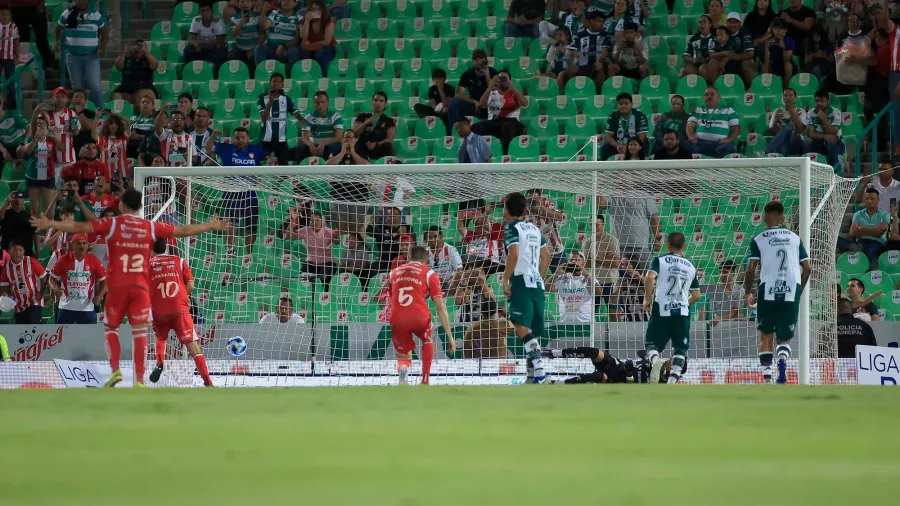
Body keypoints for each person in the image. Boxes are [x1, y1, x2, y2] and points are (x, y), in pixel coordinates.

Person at [31, 187, 229, 387]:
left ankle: (115, 369)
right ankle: (140, 380)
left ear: (121, 205)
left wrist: (51, 223)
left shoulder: (112, 224)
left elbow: (80, 226)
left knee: (111, 329)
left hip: (118, 286)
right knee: (140, 333)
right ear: (141, 206)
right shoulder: (150, 227)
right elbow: (184, 230)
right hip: (140, 288)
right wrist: (210, 226)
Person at [744, 200, 811, 384]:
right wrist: (799, 290)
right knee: (784, 337)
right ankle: (782, 360)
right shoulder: (795, 238)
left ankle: (767, 377)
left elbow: (751, 269)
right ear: (782, 217)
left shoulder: (759, 239)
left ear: (765, 218)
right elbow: (807, 268)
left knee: (766, 334)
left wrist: (748, 291)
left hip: (768, 289)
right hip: (791, 289)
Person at [147, 238, 213, 386]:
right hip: (179, 309)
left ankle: (159, 363)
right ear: (166, 248)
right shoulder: (180, 261)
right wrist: (184, 296)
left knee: (160, 339)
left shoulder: (147, 264)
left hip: (159, 311)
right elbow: (190, 284)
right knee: (193, 346)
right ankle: (208, 381)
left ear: (151, 248)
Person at [387, 245, 455, 385]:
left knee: (403, 354)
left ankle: (403, 368)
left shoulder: (393, 273)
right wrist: (450, 336)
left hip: (398, 317)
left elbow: (391, 297)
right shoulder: (429, 273)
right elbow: (440, 306)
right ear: (426, 260)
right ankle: (425, 380)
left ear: (409, 258)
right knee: (427, 339)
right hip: (419, 316)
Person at [502, 192, 551, 383]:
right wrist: (539, 276)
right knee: (529, 330)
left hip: (521, 281)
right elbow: (546, 256)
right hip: (537, 283)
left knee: (520, 326)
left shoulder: (511, 228)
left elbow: (513, 254)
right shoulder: (534, 229)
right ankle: (531, 376)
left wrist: (505, 279)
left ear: (507, 209)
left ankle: (540, 371)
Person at [642, 232, 701, 384]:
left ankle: (656, 361)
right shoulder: (691, 266)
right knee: (680, 348)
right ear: (684, 246)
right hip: (682, 311)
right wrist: (683, 304)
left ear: (667, 245)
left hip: (661, 307)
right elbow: (696, 295)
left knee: (652, 344)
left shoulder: (660, 260)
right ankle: (672, 382)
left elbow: (650, 278)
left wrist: (647, 299)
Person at [206, 127, 274, 255]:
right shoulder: (226, 148)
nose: (240, 140)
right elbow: (209, 148)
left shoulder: (255, 150)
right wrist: (214, 135)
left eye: (243, 137)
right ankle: (230, 251)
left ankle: (249, 253)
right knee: (231, 223)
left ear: (248, 138)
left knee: (251, 227)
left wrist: (267, 163)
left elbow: (269, 158)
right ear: (233, 139)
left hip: (250, 194)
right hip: (231, 192)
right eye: (237, 137)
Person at [54, 0, 107, 107]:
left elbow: (104, 33)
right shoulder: (67, 13)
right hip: (72, 56)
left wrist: (101, 48)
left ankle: (100, 113)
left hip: (91, 56)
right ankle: (78, 115)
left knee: (95, 86)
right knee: (77, 88)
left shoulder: (95, 15)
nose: (81, 2)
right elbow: (57, 29)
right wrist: (56, 42)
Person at [48, 234, 105, 324]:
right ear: (73, 244)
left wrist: (100, 295)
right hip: (65, 307)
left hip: (87, 308)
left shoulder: (94, 261)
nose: (82, 246)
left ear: (87, 245)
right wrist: (53, 288)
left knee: (89, 336)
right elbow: (51, 278)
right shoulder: (63, 260)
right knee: (63, 336)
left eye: (84, 243)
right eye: (78, 243)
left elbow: (104, 280)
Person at [598, 192, 660, 272]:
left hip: (641, 245)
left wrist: (657, 238)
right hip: (619, 246)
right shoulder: (612, 195)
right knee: (623, 278)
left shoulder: (644, 196)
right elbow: (602, 204)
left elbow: (654, 218)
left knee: (647, 276)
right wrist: (598, 189)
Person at [326, 130, 370, 236]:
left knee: (357, 228)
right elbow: (327, 165)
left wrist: (353, 152)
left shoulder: (361, 151)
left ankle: (361, 251)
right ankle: (343, 250)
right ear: (342, 140)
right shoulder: (336, 151)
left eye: (351, 137)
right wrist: (342, 153)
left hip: (358, 196)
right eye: (345, 137)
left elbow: (368, 166)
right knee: (341, 228)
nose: (348, 139)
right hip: (338, 196)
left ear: (355, 140)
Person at [541, 347, 669, 383]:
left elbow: (635, 390)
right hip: (617, 365)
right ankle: (552, 353)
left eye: (672, 363)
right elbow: (641, 352)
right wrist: (648, 357)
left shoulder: (659, 382)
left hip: (619, 381)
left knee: (598, 376)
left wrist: (629, 374)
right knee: (594, 352)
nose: (669, 361)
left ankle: (555, 383)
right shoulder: (657, 363)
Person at [20, 115, 64, 220]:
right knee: (34, 209)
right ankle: (35, 234)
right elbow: (27, 151)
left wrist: (55, 137)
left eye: (43, 123)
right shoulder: (30, 139)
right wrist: (35, 139)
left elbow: (62, 149)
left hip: (48, 178)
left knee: (48, 210)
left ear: (47, 126)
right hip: (33, 177)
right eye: (38, 124)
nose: (40, 125)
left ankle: (48, 234)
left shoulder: (51, 140)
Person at [258, 72, 304, 164]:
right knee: (261, 165)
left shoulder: (286, 99)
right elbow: (264, 117)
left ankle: (284, 179)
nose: (276, 84)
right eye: (274, 81)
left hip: (281, 140)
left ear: (282, 85)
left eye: (279, 82)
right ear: (270, 83)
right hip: (265, 139)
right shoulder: (262, 98)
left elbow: (298, 116)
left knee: (284, 168)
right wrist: (270, 102)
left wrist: (305, 125)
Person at [283, 211, 339, 286]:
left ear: (322, 222)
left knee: (324, 279)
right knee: (304, 278)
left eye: (317, 220)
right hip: (310, 263)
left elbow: (337, 242)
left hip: (327, 263)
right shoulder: (305, 230)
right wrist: (292, 221)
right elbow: (289, 236)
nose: (314, 222)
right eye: (312, 220)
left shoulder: (328, 231)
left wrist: (337, 233)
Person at [839, 188, 891, 264]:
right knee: (837, 240)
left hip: (877, 243)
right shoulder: (858, 214)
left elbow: (879, 233)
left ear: (878, 200)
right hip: (861, 242)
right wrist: (874, 229)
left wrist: (862, 229)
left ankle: (872, 265)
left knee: (871, 249)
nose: (869, 201)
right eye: (867, 199)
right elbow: (852, 232)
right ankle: (855, 248)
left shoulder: (884, 214)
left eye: (872, 199)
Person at [0, 238, 46, 323]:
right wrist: (6, 296)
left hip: (34, 301)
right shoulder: (6, 268)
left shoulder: (31, 262)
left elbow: (44, 276)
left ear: (24, 251)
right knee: (21, 330)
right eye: (14, 250)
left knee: (34, 327)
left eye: (20, 250)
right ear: (9, 252)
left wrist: (41, 292)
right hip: (18, 304)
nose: (18, 253)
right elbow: (3, 285)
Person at [447, 50, 497, 129]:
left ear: (485, 61)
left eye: (480, 59)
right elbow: (460, 94)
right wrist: (474, 102)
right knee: (454, 102)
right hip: (474, 105)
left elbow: (495, 91)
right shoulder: (467, 74)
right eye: (474, 59)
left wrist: (487, 76)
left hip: (489, 104)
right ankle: (453, 132)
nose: (477, 61)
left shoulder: (493, 72)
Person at [546, 251, 599, 323]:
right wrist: (556, 274)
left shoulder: (589, 278)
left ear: (583, 263)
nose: (573, 261)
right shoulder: (562, 278)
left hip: (587, 322)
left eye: (577, 260)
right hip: (565, 323)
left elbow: (599, 292)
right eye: (571, 260)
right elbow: (547, 288)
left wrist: (586, 275)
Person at [686, 85, 739, 158]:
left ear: (718, 97)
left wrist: (729, 139)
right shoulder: (699, 110)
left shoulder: (728, 110)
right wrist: (691, 136)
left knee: (728, 147)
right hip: (700, 143)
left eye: (712, 94)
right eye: (706, 95)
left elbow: (736, 128)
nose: (709, 97)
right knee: (686, 145)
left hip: (719, 144)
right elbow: (690, 125)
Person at [565, 8, 610, 90]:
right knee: (570, 69)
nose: (601, 24)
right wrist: (575, 55)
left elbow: (605, 51)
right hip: (582, 65)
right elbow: (574, 50)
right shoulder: (580, 35)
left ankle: (599, 94)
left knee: (600, 69)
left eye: (602, 22)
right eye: (599, 21)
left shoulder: (604, 35)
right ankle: (572, 92)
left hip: (597, 64)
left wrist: (600, 61)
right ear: (591, 21)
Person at [580, 214, 620, 302]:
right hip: (593, 282)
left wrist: (595, 259)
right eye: (591, 225)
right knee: (591, 312)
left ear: (604, 225)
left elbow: (616, 264)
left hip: (611, 282)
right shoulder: (586, 243)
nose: (594, 227)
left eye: (597, 225)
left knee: (613, 310)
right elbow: (585, 264)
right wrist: (605, 259)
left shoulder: (612, 240)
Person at [42, 87, 79, 182]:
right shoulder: (46, 114)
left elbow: (76, 132)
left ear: (67, 99)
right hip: (51, 158)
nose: (60, 99)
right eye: (57, 97)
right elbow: (39, 131)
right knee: (52, 187)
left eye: (63, 97)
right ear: (53, 98)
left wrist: (74, 129)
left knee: (70, 184)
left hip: (69, 157)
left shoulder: (72, 114)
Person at [296, 90, 342, 162]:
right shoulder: (308, 117)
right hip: (313, 145)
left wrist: (323, 144)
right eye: (317, 103)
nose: (320, 105)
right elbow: (304, 137)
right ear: (313, 104)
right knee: (300, 148)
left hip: (328, 145)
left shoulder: (335, 117)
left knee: (336, 146)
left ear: (328, 103)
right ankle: (300, 171)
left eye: (323, 102)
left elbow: (338, 137)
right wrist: (311, 145)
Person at [601, 92, 649, 160]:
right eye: (620, 104)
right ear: (617, 105)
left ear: (631, 104)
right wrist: (617, 145)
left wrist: (628, 146)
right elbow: (608, 137)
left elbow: (641, 137)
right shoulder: (613, 116)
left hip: (634, 144)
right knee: (605, 149)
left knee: (645, 143)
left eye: (626, 103)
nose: (623, 106)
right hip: (619, 145)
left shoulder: (640, 115)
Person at [805, 89, 845, 167]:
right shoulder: (811, 113)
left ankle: (835, 174)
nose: (819, 103)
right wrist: (824, 136)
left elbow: (834, 133)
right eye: (817, 101)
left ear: (828, 101)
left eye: (822, 101)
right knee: (807, 145)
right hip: (818, 142)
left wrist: (824, 120)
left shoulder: (835, 112)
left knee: (831, 144)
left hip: (836, 143)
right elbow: (811, 134)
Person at [112, 40, 159, 104]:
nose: (138, 49)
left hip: (144, 86)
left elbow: (155, 65)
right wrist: (125, 52)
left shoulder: (148, 60)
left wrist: (146, 52)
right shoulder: (126, 59)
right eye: (137, 46)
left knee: (141, 96)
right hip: (126, 87)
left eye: (141, 46)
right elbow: (118, 65)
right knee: (116, 96)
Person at [256, 0, 301, 68]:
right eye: (284, 0)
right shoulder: (274, 14)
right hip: (271, 46)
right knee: (259, 48)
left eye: (289, 0)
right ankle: (262, 74)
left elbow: (297, 38)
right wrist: (263, 12)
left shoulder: (299, 17)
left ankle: (290, 75)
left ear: (294, 3)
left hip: (288, 47)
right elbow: (264, 27)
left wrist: (283, 46)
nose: (286, 2)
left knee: (294, 51)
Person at [352, 91, 396, 160]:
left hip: (378, 148)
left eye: (381, 101)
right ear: (372, 103)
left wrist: (376, 144)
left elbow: (389, 139)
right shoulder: (362, 116)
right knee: (355, 145)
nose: (378, 103)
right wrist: (367, 122)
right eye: (375, 100)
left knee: (388, 146)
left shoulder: (389, 121)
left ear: (385, 104)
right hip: (363, 147)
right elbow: (355, 133)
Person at [184, 1, 227, 70]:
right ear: (199, 12)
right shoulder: (196, 20)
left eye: (208, 10)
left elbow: (221, 41)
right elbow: (192, 39)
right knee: (188, 49)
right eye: (202, 11)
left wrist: (202, 43)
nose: (205, 13)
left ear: (212, 11)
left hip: (214, 50)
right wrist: (196, 44)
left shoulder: (219, 21)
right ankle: (189, 71)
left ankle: (217, 73)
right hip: (201, 50)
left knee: (221, 49)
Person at [10, 0, 53, 67]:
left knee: (42, 37)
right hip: (17, 8)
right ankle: (22, 66)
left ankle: (47, 65)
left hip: (36, 6)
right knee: (22, 39)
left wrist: (41, 5)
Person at [766, 87, 807, 156]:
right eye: (785, 95)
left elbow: (800, 130)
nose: (787, 97)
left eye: (790, 95)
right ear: (782, 98)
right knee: (783, 145)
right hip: (781, 143)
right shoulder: (777, 111)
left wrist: (791, 111)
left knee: (786, 130)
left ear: (795, 98)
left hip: (796, 142)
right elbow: (772, 132)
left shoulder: (801, 111)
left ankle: (768, 151)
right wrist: (776, 121)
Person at [699, 259, 742, 326]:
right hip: (716, 325)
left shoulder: (739, 290)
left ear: (733, 273)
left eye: (725, 272)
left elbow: (734, 312)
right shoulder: (714, 288)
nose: (721, 275)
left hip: (736, 326)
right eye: (720, 272)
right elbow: (696, 289)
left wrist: (719, 318)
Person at [299, 0, 337, 75]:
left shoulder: (330, 20)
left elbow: (327, 42)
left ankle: (324, 77)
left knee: (320, 53)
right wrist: (307, 21)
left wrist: (308, 46)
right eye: (313, 10)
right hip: (312, 49)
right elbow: (303, 37)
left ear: (323, 10)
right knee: (305, 54)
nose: (316, 12)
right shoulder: (303, 21)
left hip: (328, 48)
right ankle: (309, 76)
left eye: (318, 9)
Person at [228, 0, 264, 66]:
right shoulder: (234, 18)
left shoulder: (258, 17)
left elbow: (263, 35)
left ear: (251, 4)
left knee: (254, 56)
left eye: (247, 1)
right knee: (231, 55)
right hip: (239, 48)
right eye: (242, 1)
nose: (245, 3)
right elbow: (232, 34)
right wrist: (241, 23)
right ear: (238, 5)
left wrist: (253, 49)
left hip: (254, 47)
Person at [0, 190, 37, 256]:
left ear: (23, 201)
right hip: (7, 254)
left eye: (20, 198)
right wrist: (7, 202)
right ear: (11, 201)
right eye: (15, 198)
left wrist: (37, 250)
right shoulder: (5, 214)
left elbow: (35, 234)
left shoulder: (29, 217)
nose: (17, 200)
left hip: (26, 254)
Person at [0, 6, 21, 111]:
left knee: (10, 81)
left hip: (9, 57)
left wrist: (17, 56)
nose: (4, 17)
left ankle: (11, 105)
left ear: (10, 16)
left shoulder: (13, 27)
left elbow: (16, 41)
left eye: (6, 14)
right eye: (2, 14)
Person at [762, 19, 796, 83]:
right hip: (774, 65)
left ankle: (786, 88)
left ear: (785, 30)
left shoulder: (789, 40)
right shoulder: (769, 41)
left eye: (780, 29)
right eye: (775, 29)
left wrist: (783, 46)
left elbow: (787, 59)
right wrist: (767, 45)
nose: (777, 31)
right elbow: (766, 59)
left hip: (785, 65)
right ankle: (765, 86)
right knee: (766, 65)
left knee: (788, 66)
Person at [683, 15, 713, 81]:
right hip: (696, 63)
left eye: (704, 22)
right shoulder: (693, 39)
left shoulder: (715, 38)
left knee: (703, 69)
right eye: (700, 22)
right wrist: (693, 59)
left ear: (710, 24)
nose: (702, 24)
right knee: (687, 71)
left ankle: (706, 89)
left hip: (709, 64)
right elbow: (686, 56)